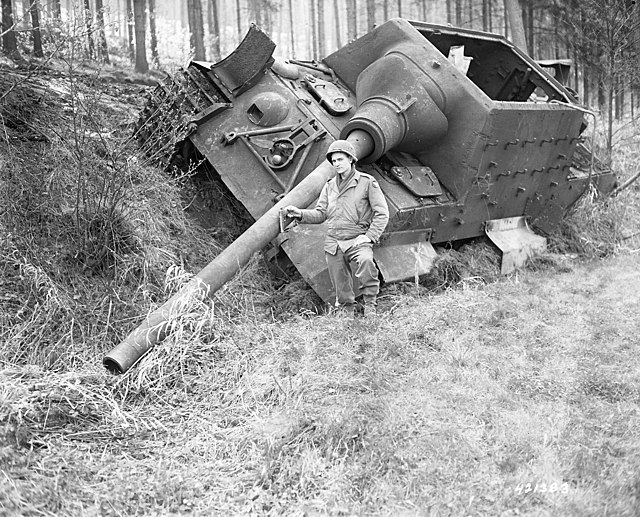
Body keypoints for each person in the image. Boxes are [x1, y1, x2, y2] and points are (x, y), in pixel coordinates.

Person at [283, 140, 389, 317]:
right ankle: (347, 313)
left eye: (340, 159)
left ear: (351, 159)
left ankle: (370, 306)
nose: (336, 164)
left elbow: (382, 213)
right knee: (340, 281)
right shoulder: (329, 185)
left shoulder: (367, 182)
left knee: (366, 263)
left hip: (357, 238)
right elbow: (321, 214)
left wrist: (370, 236)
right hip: (334, 242)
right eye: (333, 161)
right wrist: (300, 213)